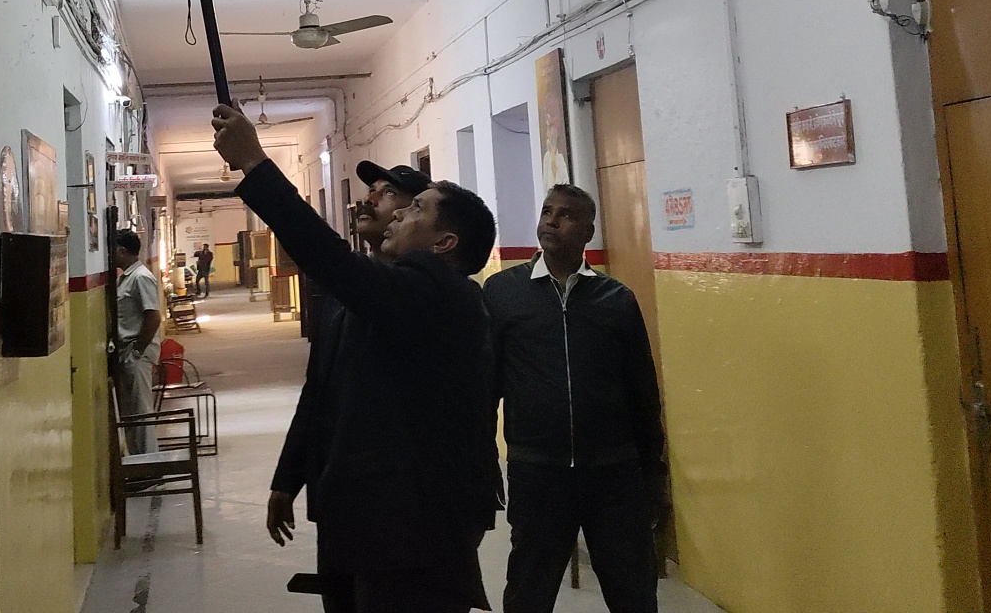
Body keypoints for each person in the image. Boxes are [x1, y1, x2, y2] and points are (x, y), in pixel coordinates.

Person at [213, 104, 500, 613]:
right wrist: (291, 477)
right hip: (368, 520)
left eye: (414, 208)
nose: (397, 212)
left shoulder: (439, 294)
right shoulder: (386, 294)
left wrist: (256, 164)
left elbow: (329, 258)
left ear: (444, 242)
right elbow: (323, 394)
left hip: (411, 535)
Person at [483, 185, 666, 613]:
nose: (551, 220)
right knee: (528, 592)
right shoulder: (504, 292)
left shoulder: (616, 300)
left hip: (614, 475)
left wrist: (653, 473)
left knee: (633, 593)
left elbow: (642, 392)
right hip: (537, 472)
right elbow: (486, 386)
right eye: (547, 211)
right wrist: (484, 459)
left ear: (587, 231)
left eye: (565, 215)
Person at [267, 159, 432, 613]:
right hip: (339, 496)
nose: (371, 199)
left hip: (398, 507)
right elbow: (317, 392)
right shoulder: (340, 298)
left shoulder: (423, 298)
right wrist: (288, 480)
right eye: (372, 190)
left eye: (388, 193)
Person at [111, 230, 161, 453]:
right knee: (132, 412)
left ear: (122, 251)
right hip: (128, 352)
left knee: (141, 412)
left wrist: (137, 351)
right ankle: (139, 459)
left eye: (113, 249)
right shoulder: (126, 277)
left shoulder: (140, 277)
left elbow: (153, 317)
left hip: (136, 353)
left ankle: (148, 463)